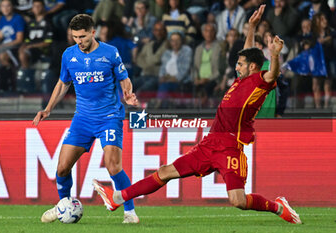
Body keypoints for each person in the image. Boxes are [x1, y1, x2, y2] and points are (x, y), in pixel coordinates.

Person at [92, 5, 302, 225]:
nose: (236, 67)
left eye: (240, 64)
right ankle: (117, 198)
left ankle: (278, 207)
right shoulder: (242, 79)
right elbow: (248, 51)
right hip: (209, 144)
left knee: (238, 201)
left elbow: (272, 74)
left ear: (251, 67)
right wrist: (251, 27)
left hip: (230, 147)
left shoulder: (259, 83)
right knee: (165, 171)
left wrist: (275, 55)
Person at [33, 14, 140, 224]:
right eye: (75, 37)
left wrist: (128, 93)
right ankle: (64, 205)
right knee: (62, 167)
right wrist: (48, 109)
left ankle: (130, 211)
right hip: (82, 119)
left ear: (93, 32)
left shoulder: (110, 52)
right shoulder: (69, 55)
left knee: (113, 166)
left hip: (109, 117)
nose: (79, 41)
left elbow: (124, 79)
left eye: (82, 36)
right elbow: (63, 84)